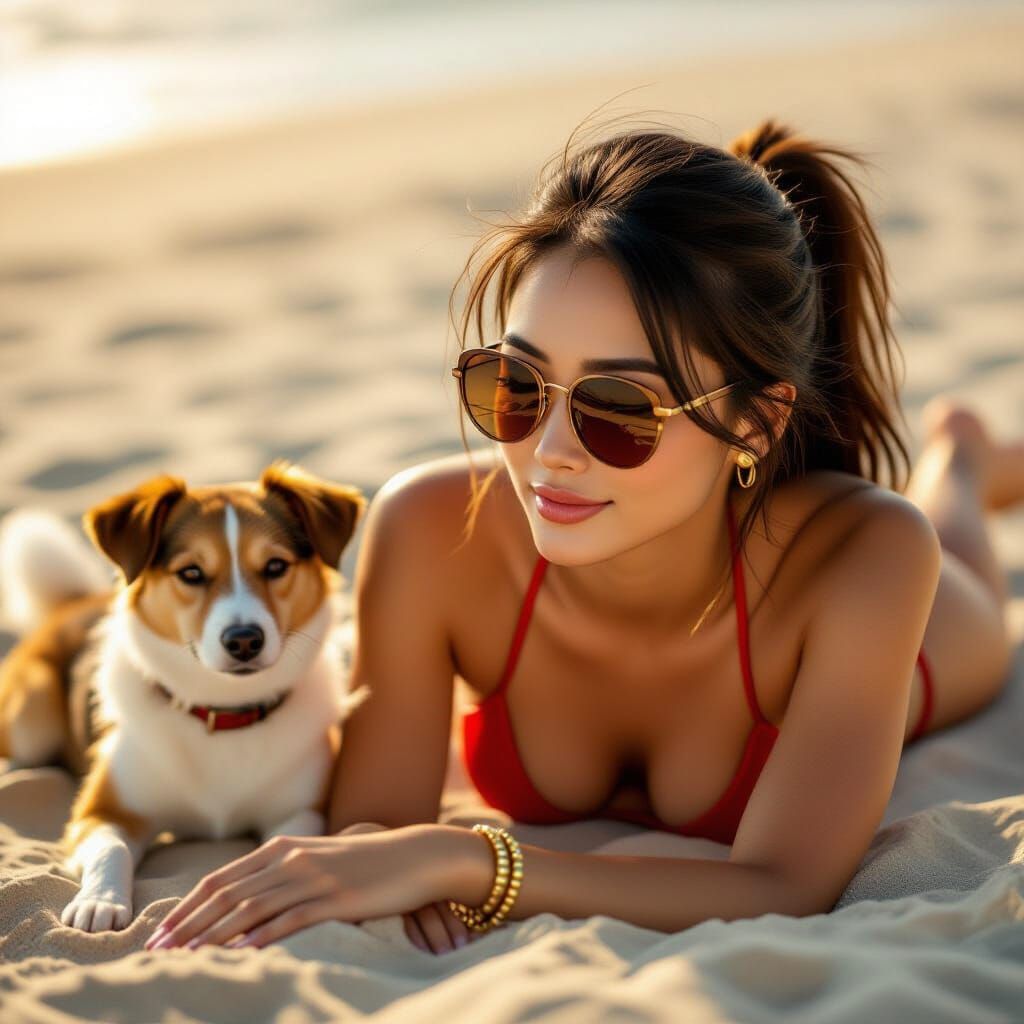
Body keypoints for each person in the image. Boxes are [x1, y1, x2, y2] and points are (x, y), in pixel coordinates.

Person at [144, 116, 1023, 957]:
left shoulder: (869, 556)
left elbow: (785, 882)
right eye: (517, 386)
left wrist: (470, 860)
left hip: (932, 636)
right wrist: (390, 852)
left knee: (946, 521)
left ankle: (962, 456)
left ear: (755, 422)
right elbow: (372, 830)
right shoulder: (427, 532)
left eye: (619, 408)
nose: (550, 452)